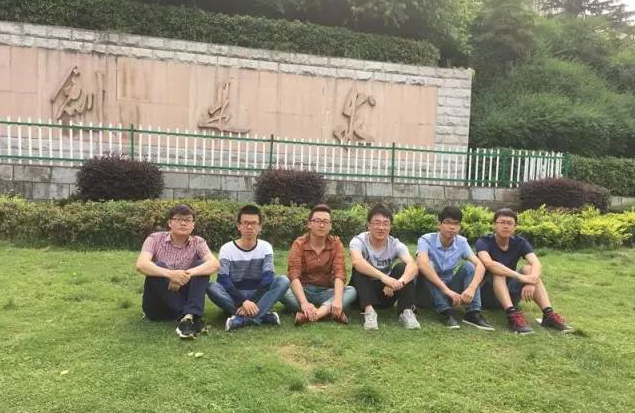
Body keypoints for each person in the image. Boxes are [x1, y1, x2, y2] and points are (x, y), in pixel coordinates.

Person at [476, 208, 574, 334]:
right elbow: (489, 264)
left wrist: (531, 282)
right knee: (499, 271)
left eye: (509, 223)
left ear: (515, 227)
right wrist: (520, 277)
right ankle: (512, 316)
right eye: (502, 222)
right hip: (486, 295)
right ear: (494, 225)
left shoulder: (520, 242)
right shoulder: (484, 241)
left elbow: (536, 263)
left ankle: (548, 315)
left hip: (509, 294)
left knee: (529, 269)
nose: (506, 226)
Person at [136, 204, 220, 339]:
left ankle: (188, 317)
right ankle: (189, 316)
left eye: (187, 220)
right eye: (179, 219)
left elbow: (214, 264)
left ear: (193, 225)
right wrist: (170, 275)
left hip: (184, 298)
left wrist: (186, 274)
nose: (183, 223)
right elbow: (141, 264)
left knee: (202, 266)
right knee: (158, 266)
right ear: (169, 222)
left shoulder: (198, 242)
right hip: (158, 306)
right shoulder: (154, 238)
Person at [206, 205, 290, 331]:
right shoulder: (226, 249)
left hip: (258, 295)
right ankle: (263, 315)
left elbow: (268, 278)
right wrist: (242, 302)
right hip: (234, 296)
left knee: (283, 281)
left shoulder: (266, 247)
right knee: (211, 287)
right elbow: (223, 279)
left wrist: (253, 302)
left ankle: (242, 319)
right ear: (239, 226)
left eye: (253, 223)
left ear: (260, 227)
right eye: (245, 223)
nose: (249, 227)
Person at [417, 206, 493, 330]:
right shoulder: (426, 240)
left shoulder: (461, 242)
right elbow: (422, 264)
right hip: (427, 292)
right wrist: (446, 290)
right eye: (448, 223)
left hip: (450, 290)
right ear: (439, 224)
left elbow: (480, 265)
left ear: (459, 227)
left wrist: (472, 288)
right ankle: (446, 312)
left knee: (469, 266)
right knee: (427, 267)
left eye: (456, 224)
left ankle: (473, 313)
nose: (452, 227)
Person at [282, 204, 357, 325]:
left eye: (325, 222)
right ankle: (328, 311)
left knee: (351, 291)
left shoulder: (336, 244)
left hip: (326, 291)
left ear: (330, 226)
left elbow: (339, 273)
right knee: (282, 288)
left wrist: (337, 300)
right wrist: (304, 303)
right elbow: (293, 275)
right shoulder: (299, 244)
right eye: (317, 221)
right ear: (309, 224)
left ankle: (313, 314)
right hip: (303, 290)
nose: (321, 225)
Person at [349, 203, 420, 330]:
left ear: (390, 226)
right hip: (362, 293)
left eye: (385, 224)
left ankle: (406, 312)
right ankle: (369, 312)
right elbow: (357, 262)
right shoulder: (358, 241)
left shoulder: (395, 244)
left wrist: (399, 283)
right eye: (377, 223)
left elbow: (412, 265)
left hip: (386, 293)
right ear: (369, 225)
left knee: (403, 267)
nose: (381, 227)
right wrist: (385, 278)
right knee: (359, 269)